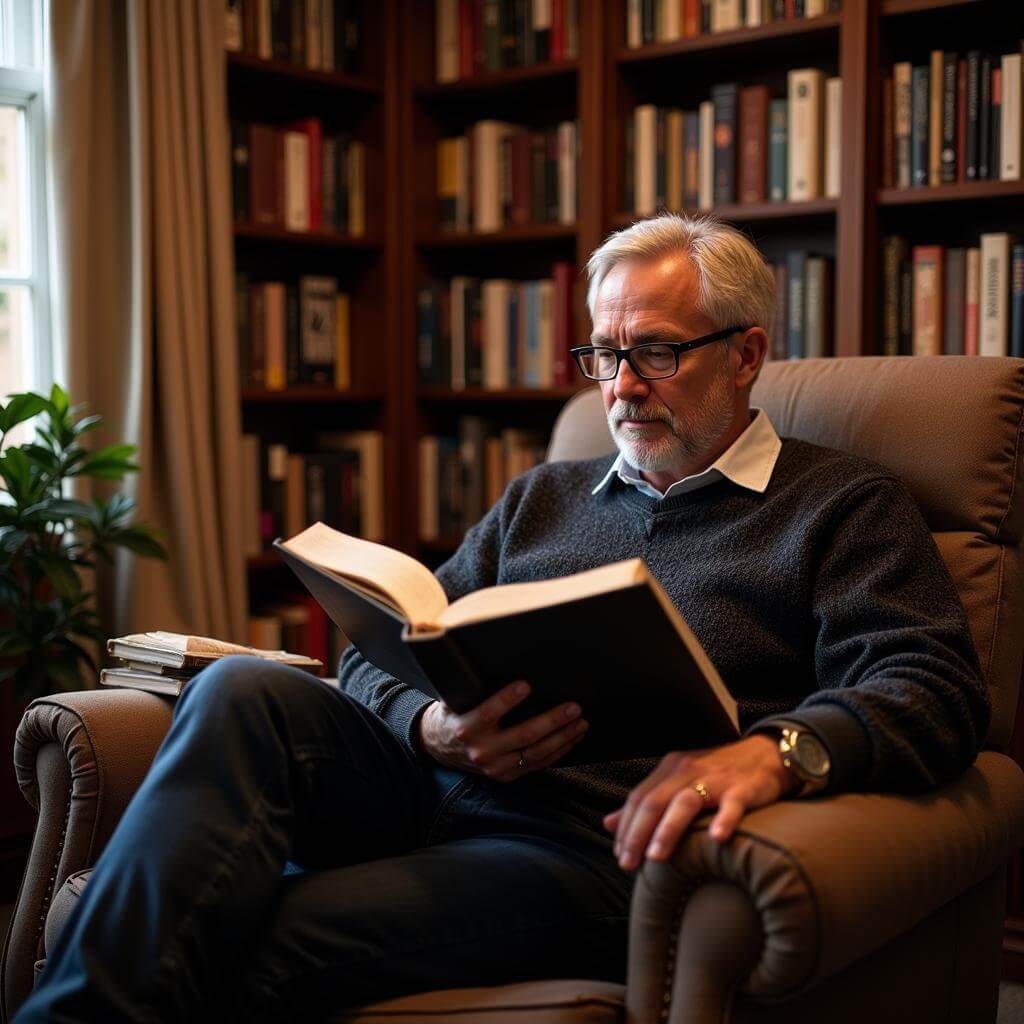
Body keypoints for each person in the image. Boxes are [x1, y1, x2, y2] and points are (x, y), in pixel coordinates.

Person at [14, 213, 990, 1023]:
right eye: (604, 353)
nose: (618, 386)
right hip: (428, 780)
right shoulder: (545, 495)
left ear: (745, 355)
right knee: (241, 688)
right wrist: (429, 724)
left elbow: (934, 689)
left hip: (578, 847)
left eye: (653, 350)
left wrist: (774, 750)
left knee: (243, 932)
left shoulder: (839, 505)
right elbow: (386, 649)